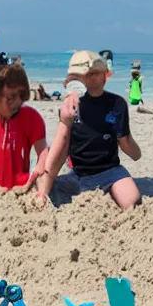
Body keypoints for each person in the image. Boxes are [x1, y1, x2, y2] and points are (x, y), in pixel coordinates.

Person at [35, 51, 143, 209]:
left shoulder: (116, 103)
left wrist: (136, 154)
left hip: (109, 170)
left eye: (94, 74)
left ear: (106, 74)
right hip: (77, 173)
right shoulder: (72, 106)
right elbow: (64, 144)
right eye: (86, 74)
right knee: (40, 176)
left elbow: (124, 140)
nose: (90, 77)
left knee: (132, 202)